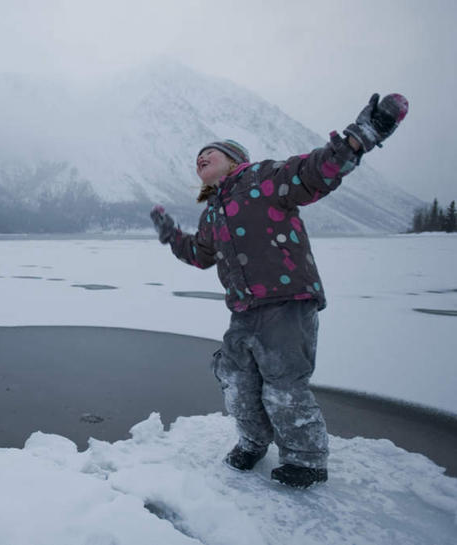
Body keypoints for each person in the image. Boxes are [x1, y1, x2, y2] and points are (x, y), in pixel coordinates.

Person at [151, 93, 408, 488]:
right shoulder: (213, 212)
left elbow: (313, 172)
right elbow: (200, 255)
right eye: (197, 157)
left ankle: (305, 459)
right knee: (236, 380)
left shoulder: (263, 179)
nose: (200, 158)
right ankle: (253, 441)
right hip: (244, 310)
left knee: (284, 382)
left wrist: (359, 137)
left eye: (210, 152)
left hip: (287, 301)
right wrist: (171, 236)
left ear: (234, 160)